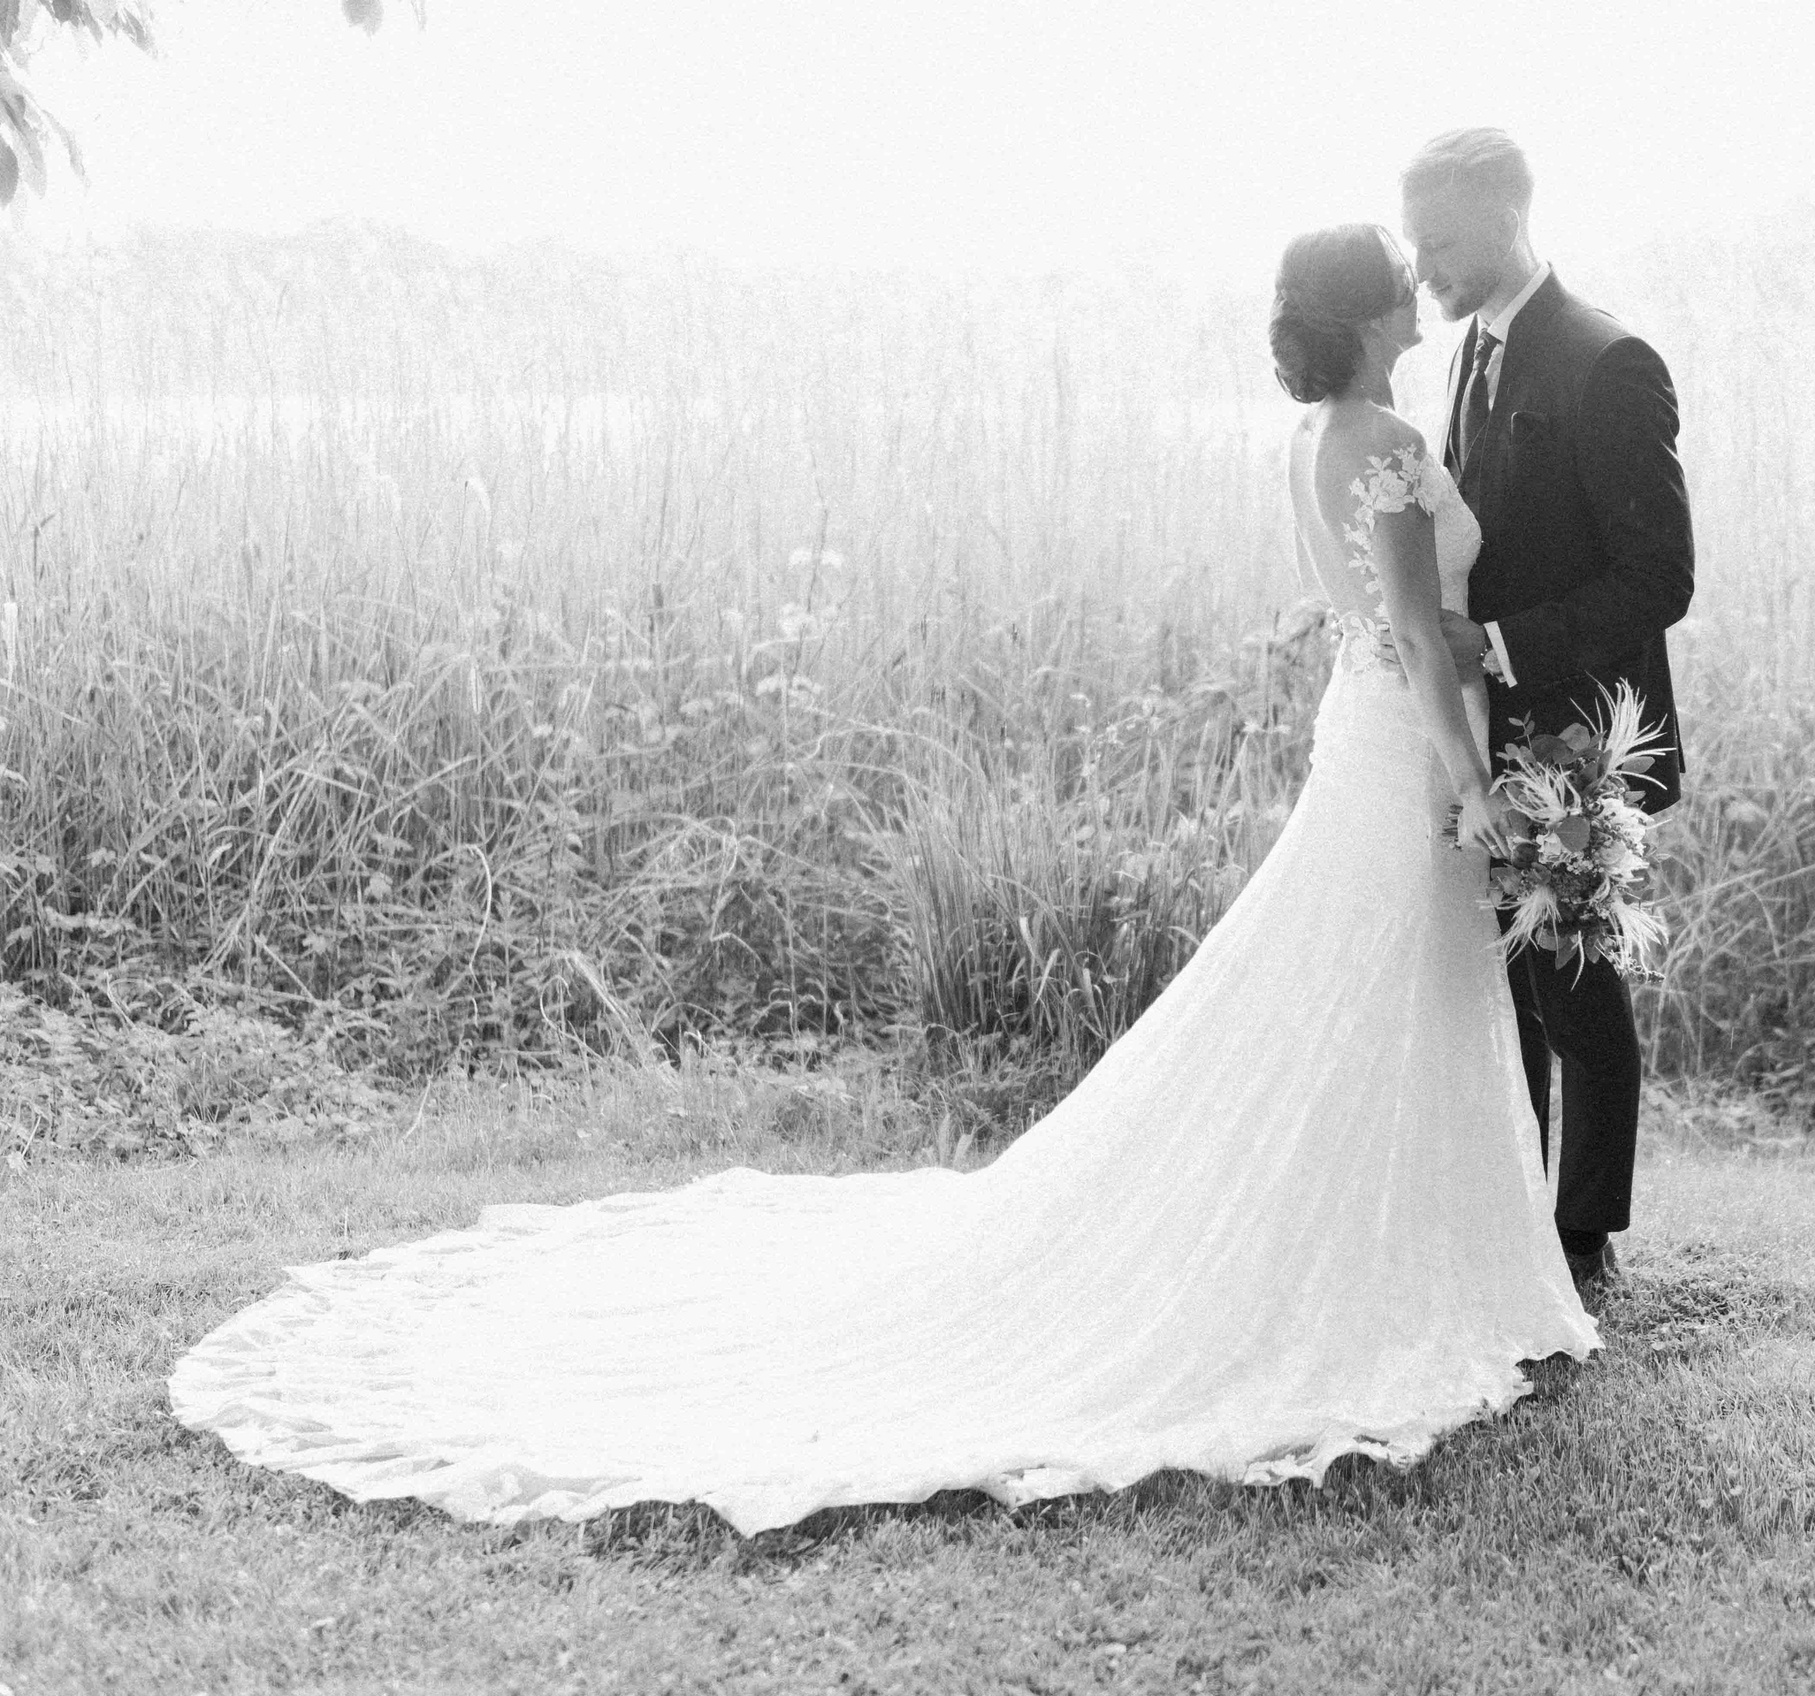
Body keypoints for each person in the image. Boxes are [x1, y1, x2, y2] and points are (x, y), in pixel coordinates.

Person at [165, 222, 1597, 1535]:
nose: (1419, 287)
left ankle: (1412, 1249)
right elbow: (1414, 625)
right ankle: (1377, 1269)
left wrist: (1472, 703)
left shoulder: (1322, 436)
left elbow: (1388, 624)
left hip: (1366, 738)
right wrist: (1479, 786)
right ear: (1362, 316)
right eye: (1393, 281)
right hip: (1405, 752)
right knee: (1359, 994)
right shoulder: (1394, 435)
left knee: (1353, 1000)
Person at [1402, 128, 1694, 1300]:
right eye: (1416, 245)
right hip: (1487, 726)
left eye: (1444, 242)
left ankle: (1584, 1235)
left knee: (1574, 983)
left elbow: (1659, 578)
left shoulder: (1607, 360)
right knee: (1511, 982)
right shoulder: (1468, 351)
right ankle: (1522, 1207)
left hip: (1575, 727)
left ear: (1511, 213)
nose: (1423, 268)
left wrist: (1508, 644)